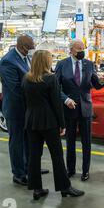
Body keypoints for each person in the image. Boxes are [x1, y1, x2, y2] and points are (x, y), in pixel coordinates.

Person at [22, 50, 84, 200]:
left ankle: (36, 189)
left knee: (34, 156)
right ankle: (65, 188)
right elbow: (57, 103)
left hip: (31, 121)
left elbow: (25, 101)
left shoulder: (26, 79)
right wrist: (62, 124)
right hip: (49, 121)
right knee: (57, 155)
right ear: (46, 61)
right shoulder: (50, 78)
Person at [0, 35, 49, 186]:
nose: (33, 50)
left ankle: (30, 168)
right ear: (22, 46)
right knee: (17, 142)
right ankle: (19, 174)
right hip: (16, 109)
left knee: (29, 140)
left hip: (28, 109)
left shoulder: (26, 58)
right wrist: (37, 98)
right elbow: (15, 89)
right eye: (31, 47)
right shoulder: (8, 61)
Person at [55, 40, 104, 181]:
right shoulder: (62, 64)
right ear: (71, 50)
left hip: (85, 108)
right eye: (79, 49)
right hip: (69, 108)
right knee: (70, 141)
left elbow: (96, 84)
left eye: (83, 48)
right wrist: (65, 99)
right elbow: (56, 87)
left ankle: (85, 171)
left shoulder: (88, 64)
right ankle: (70, 170)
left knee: (86, 142)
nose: (82, 51)